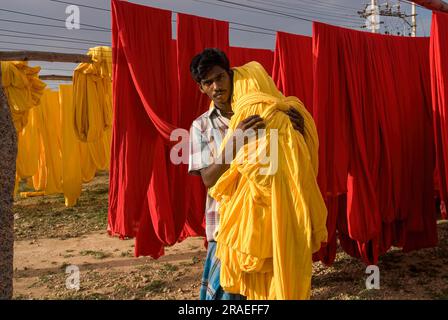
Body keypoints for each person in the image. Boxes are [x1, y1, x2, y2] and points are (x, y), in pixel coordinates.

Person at [187, 48, 305, 300]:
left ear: (230, 76)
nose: (216, 86)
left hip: (270, 219)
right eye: (208, 82)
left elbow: (288, 162)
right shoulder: (202, 126)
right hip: (225, 226)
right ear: (201, 88)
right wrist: (234, 143)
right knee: (229, 295)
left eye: (220, 77)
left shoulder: (265, 114)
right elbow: (209, 179)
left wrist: (299, 132)